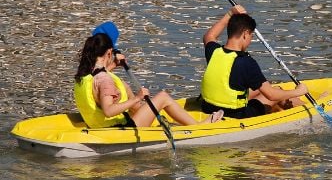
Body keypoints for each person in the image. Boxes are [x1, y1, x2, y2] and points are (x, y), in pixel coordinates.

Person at [74, 32, 223, 128]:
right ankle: (198, 127)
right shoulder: (105, 80)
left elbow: (99, 79)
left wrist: (114, 64)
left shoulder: (86, 73)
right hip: (120, 131)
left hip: (100, 127)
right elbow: (108, 110)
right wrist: (137, 98)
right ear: (109, 52)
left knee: (124, 86)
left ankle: (152, 115)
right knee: (163, 97)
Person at [200, 5, 309, 119]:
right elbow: (271, 95)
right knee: (276, 90)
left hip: (208, 108)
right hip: (236, 115)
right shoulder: (247, 62)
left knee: (257, 89)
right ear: (245, 34)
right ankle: (309, 109)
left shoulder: (213, 51)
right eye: (251, 36)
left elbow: (209, 35)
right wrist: (298, 91)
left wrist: (229, 14)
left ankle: (291, 107)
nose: (250, 41)